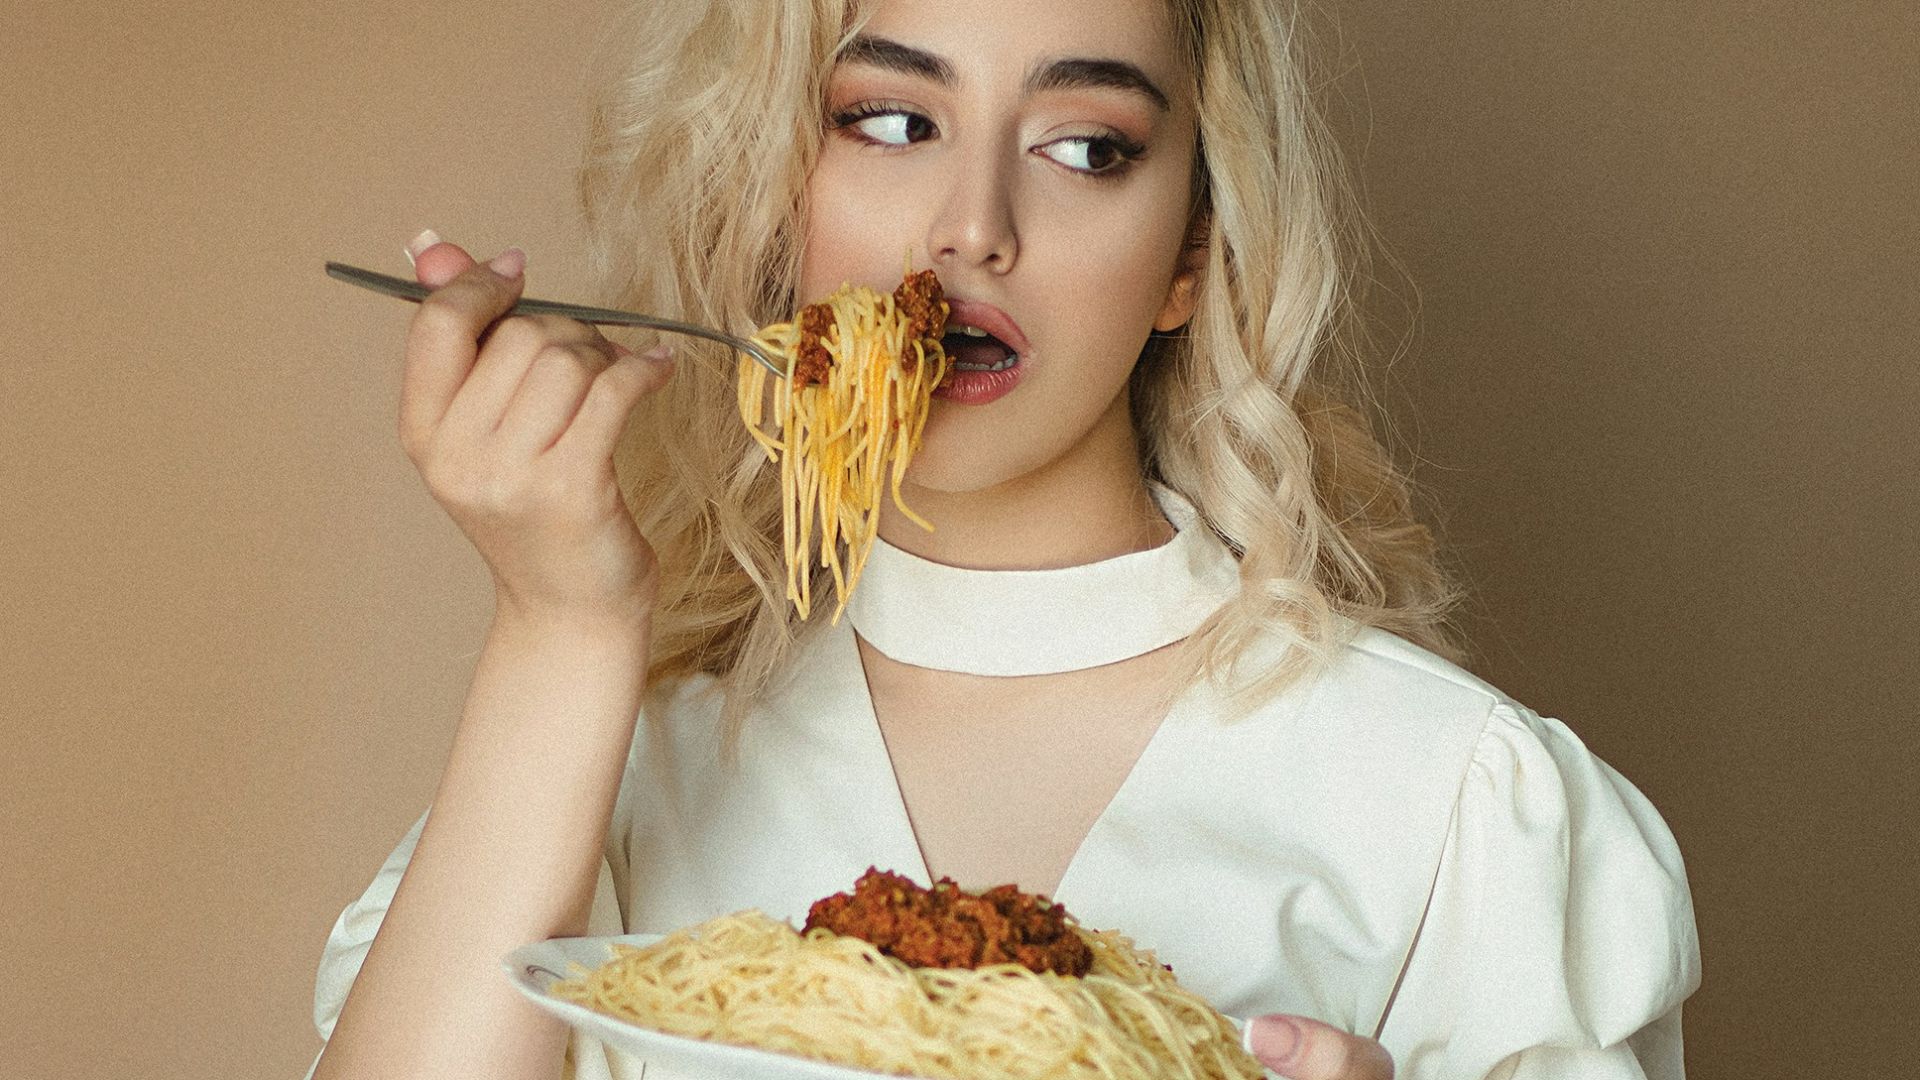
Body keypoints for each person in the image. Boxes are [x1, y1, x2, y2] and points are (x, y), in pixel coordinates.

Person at [305, 1, 1700, 1077]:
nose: (970, 229)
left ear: (1192, 255)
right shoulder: (609, 768)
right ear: (781, 195)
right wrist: (558, 624)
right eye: (892, 123)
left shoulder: (1457, 803)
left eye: (1087, 148)